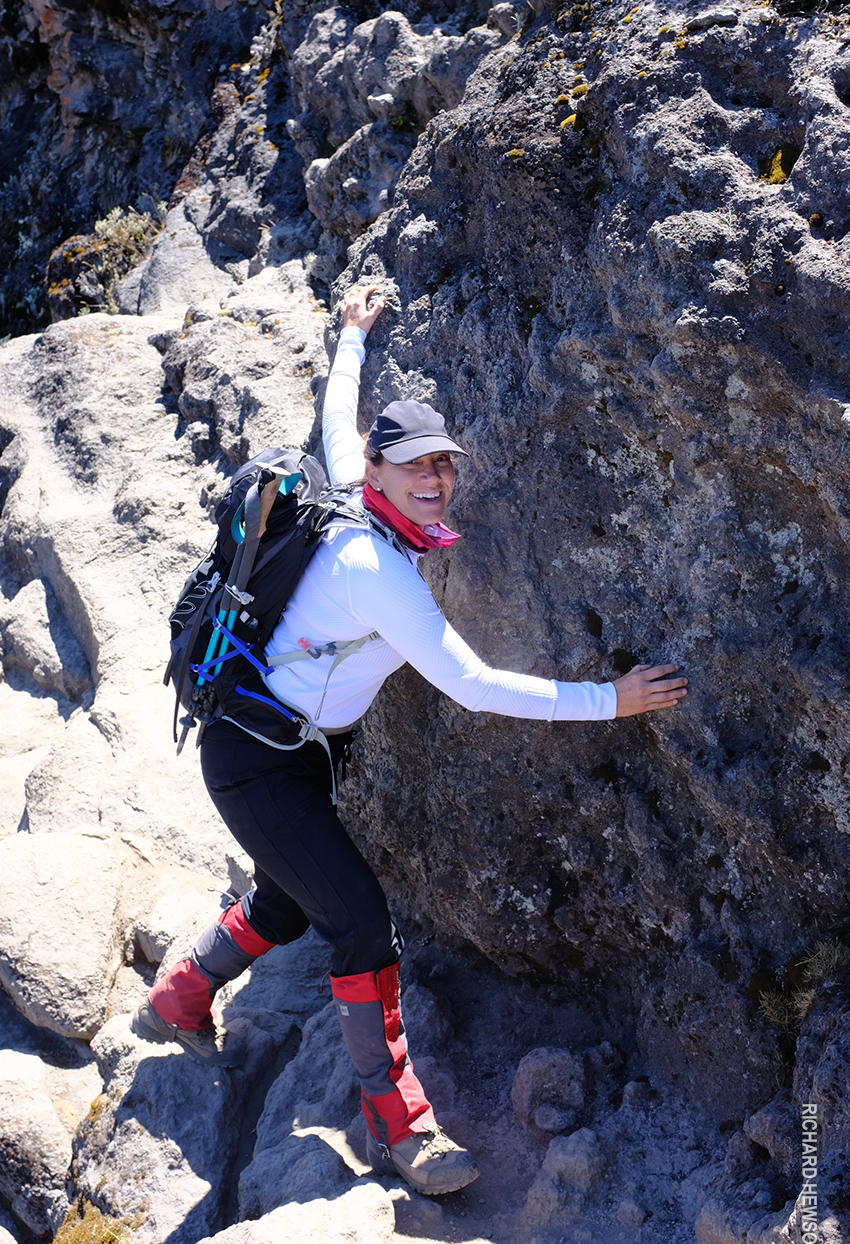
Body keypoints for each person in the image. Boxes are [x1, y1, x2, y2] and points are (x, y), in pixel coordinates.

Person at [131, 283, 687, 1196]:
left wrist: (350, 335)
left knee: (288, 896)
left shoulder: (352, 481)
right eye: (417, 466)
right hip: (255, 759)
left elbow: (333, 418)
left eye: (446, 466)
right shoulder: (375, 566)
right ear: (382, 476)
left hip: (289, 754)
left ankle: (182, 992)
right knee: (360, 923)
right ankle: (406, 1131)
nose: (435, 481)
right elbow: (471, 685)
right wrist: (611, 699)